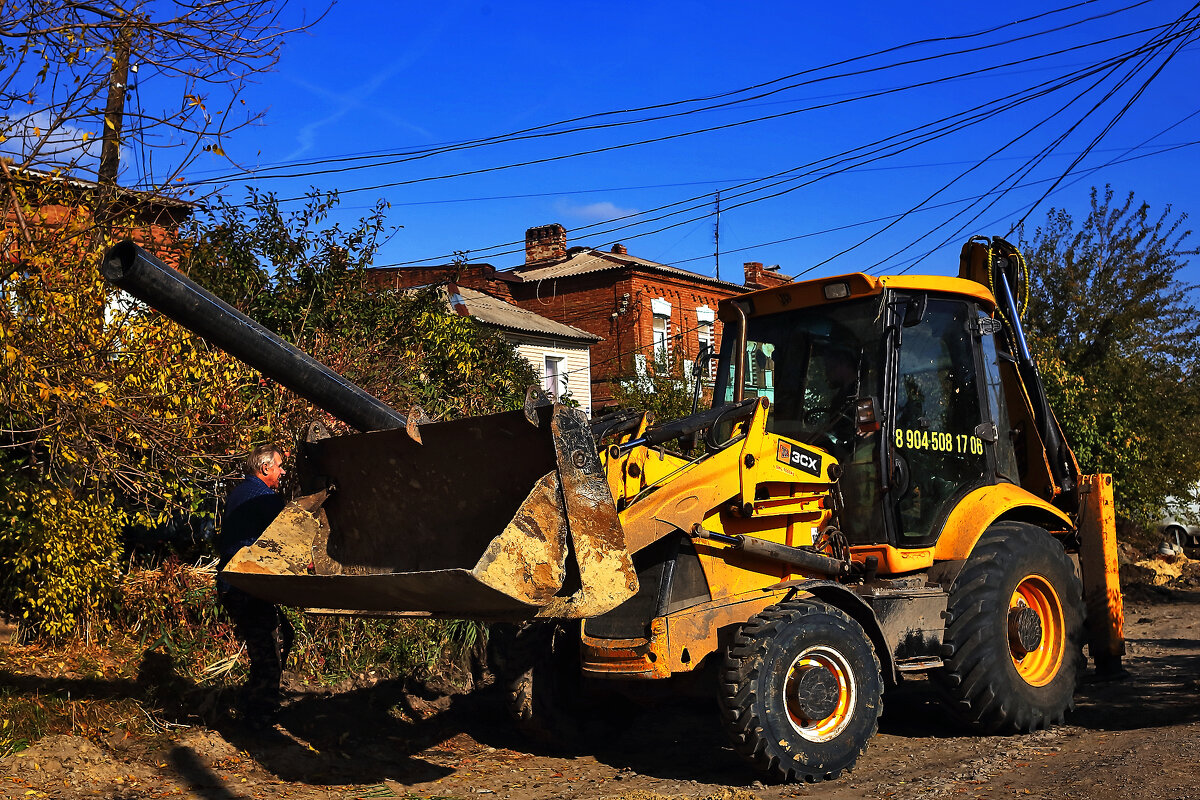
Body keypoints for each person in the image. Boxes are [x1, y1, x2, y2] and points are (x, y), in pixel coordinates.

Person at [216, 444, 294, 721]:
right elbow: (288, 540)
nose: (282, 471)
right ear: (265, 468)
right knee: (269, 653)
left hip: (232, 584)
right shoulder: (266, 499)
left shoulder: (238, 493)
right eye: (279, 466)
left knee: (280, 636)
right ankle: (259, 717)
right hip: (247, 586)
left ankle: (254, 700)